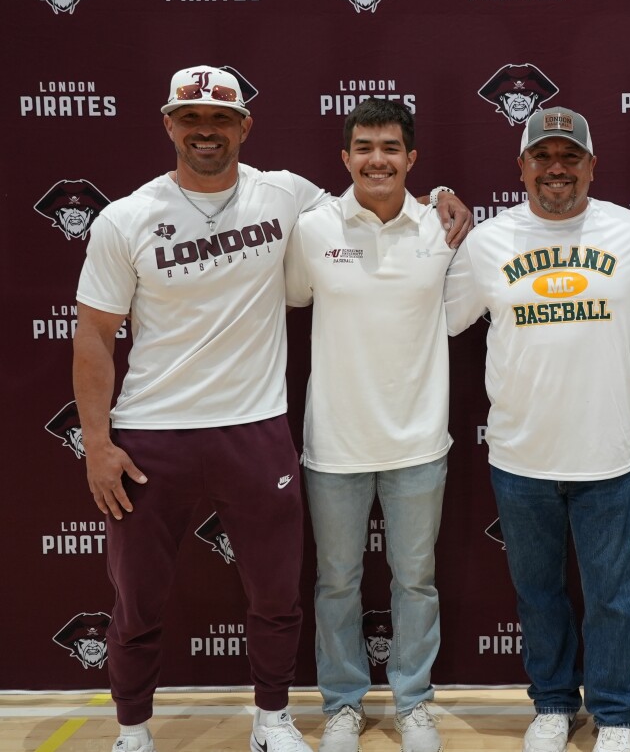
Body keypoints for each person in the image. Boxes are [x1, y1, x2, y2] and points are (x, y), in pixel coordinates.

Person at [72, 67, 468, 752]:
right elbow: (93, 334)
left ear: (244, 127)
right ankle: (132, 728)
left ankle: (274, 718)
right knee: (136, 600)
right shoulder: (125, 217)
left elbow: (378, 192)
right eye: (191, 117)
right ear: (168, 123)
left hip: (254, 428)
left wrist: (441, 195)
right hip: (152, 434)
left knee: (278, 596)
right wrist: (98, 442)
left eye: (221, 119)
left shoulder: (286, 196)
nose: (205, 130)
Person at [444, 107, 630, 752]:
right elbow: (433, 321)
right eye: (543, 157)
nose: (557, 168)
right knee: (538, 594)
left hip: (608, 454)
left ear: (593, 165)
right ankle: (554, 704)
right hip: (519, 454)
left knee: (615, 599)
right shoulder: (487, 242)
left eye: (571, 156)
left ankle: (619, 715)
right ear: (521, 167)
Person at [283, 99, 452, 752]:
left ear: (412, 157)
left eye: (390, 147)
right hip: (335, 443)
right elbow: (295, 295)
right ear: (345, 157)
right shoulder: (312, 228)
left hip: (418, 440)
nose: (377, 158)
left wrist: (444, 196)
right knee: (337, 581)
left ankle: (413, 702)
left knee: (415, 580)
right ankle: (344, 704)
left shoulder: (443, 225)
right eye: (364, 146)